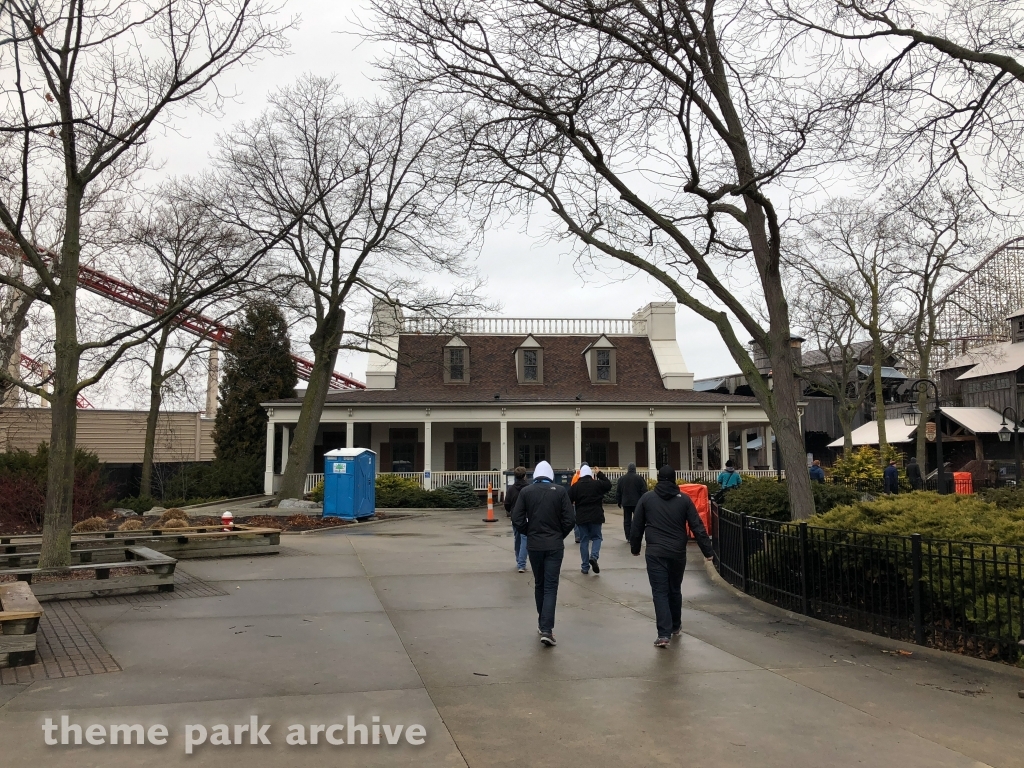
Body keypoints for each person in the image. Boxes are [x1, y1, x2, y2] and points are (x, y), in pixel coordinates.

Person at [630, 465, 715, 648]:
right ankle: (675, 626)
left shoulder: (647, 499)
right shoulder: (683, 500)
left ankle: (663, 634)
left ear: (659, 479)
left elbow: (636, 526)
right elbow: (697, 526)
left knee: (660, 592)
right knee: (674, 589)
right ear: (675, 479)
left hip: (655, 552)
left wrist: (635, 548)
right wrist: (708, 552)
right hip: (677, 551)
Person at [511, 460, 575, 646]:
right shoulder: (560, 492)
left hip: (534, 545)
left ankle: (542, 623)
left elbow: (517, 517)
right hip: (554, 545)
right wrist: (559, 535)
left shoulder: (526, 492)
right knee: (550, 586)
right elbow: (570, 519)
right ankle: (547, 629)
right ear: (550, 476)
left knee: (539, 584)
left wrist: (528, 531)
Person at [568, 464, 612, 575]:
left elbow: (568, 500)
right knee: (597, 537)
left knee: (584, 541)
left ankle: (585, 567)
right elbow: (608, 485)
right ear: (590, 474)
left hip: (581, 516)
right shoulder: (597, 484)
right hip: (596, 515)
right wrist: (600, 474)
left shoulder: (576, 486)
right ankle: (594, 556)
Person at [503, 466, 529, 572]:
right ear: (524, 476)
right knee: (525, 539)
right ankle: (522, 564)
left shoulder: (511, 489)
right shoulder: (528, 488)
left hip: (515, 517)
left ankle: (519, 560)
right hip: (526, 517)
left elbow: (507, 504)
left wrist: (511, 512)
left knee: (517, 538)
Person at [616, 463, 648, 542]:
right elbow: (644, 491)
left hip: (626, 502)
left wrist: (619, 502)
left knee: (627, 520)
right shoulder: (639, 478)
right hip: (637, 503)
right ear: (635, 469)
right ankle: (636, 535)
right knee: (637, 520)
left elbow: (618, 492)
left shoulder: (622, 479)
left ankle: (628, 537)